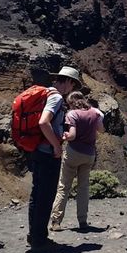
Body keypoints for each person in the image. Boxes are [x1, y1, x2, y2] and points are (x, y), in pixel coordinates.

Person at [27, 66, 82, 253]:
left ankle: (34, 235)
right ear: (67, 81)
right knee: (46, 196)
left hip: (37, 150)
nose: (72, 88)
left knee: (37, 194)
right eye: (73, 84)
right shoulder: (56, 97)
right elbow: (44, 122)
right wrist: (56, 145)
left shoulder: (46, 93)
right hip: (47, 153)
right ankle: (40, 240)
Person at [49, 91, 104, 232]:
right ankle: (83, 221)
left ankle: (56, 221)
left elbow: (72, 135)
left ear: (72, 102)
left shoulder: (72, 114)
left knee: (64, 186)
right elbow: (101, 129)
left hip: (74, 153)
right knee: (83, 187)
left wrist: (66, 136)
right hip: (89, 154)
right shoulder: (94, 112)